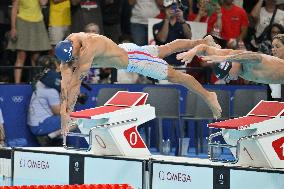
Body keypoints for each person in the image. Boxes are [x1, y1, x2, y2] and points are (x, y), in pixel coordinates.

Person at [54, 33, 222, 135]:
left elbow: (75, 85)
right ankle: (204, 41)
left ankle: (208, 95)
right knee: (165, 49)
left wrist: (67, 113)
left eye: (75, 57)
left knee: (175, 76)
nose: (74, 61)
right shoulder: (69, 51)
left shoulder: (86, 50)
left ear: (76, 49)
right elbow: (65, 85)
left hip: (133, 60)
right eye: (71, 60)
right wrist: (64, 113)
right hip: (126, 49)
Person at [176, 34, 284, 84]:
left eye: (227, 76)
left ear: (232, 64)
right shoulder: (227, 59)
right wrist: (192, 52)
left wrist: (225, 57)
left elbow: (256, 56)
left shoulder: (245, 61)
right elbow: (204, 48)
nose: (228, 79)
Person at [7, 0, 51, 83]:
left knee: (35, 57)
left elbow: (43, 3)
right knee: (21, 56)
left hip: (37, 23)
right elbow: (14, 8)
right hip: (22, 22)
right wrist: (13, 27)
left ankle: (35, 84)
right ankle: (17, 85)